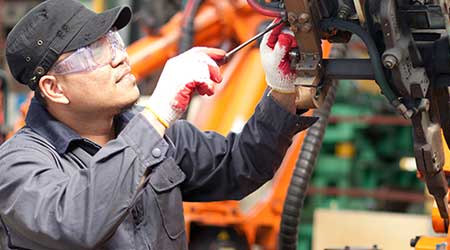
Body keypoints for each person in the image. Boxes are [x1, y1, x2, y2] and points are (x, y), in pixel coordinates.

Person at [0, 0, 315, 249]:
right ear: (54, 89)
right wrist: (159, 112)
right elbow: (77, 223)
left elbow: (242, 165)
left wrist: (283, 89)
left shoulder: (158, 135)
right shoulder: (18, 166)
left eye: (112, 41)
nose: (118, 57)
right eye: (94, 52)